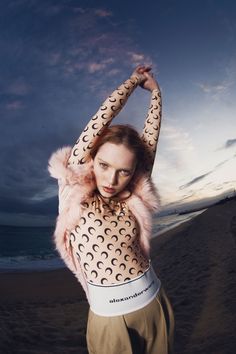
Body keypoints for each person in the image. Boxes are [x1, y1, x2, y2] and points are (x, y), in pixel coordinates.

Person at [48, 65, 174, 354]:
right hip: (109, 320)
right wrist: (133, 82)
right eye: (104, 165)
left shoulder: (132, 198)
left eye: (123, 171)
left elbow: (150, 140)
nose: (112, 179)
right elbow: (99, 120)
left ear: (133, 173)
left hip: (154, 301)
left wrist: (156, 94)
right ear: (91, 159)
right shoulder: (72, 191)